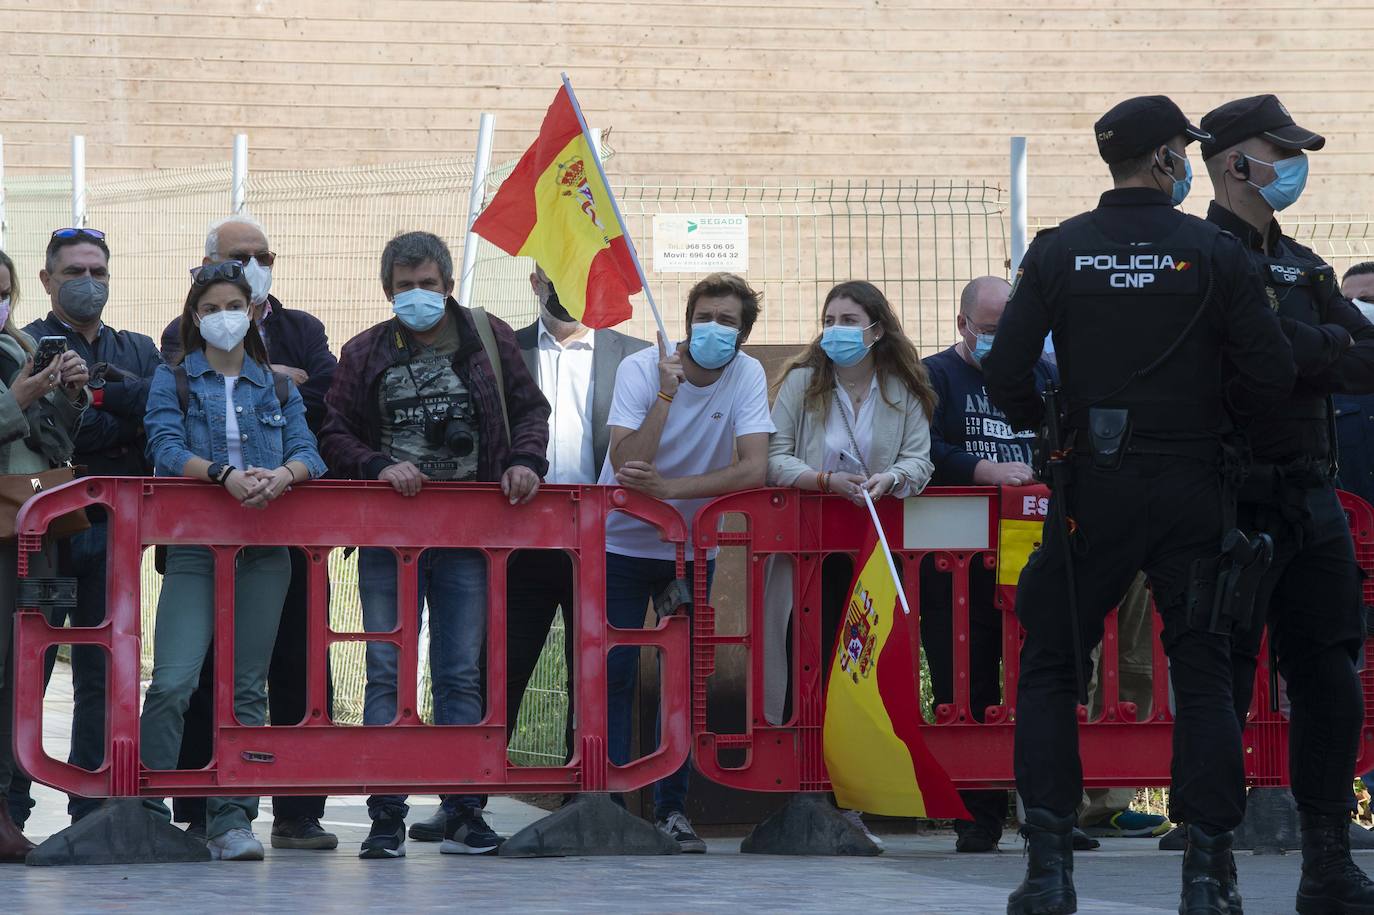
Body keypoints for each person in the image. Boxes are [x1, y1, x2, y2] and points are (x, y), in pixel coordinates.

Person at [983, 95, 1296, 915]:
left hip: (1093, 486)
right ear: (1165, 160)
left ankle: (1049, 871)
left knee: (1053, 667)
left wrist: (1049, 430)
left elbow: (1006, 371)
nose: (1187, 165)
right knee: (1203, 675)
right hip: (1194, 486)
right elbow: (1270, 375)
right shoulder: (1211, 250)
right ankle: (1206, 874)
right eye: (1183, 153)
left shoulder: (1059, 251)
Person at [318, 231, 549, 860]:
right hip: (387, 540)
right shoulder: (365, 350)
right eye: (402, 287)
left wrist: (527, 461)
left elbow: (531, 409)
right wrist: (375, 466)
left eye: (426, 283)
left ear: (448, 284)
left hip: (469, 537)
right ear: (387, 290)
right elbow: (333, 432)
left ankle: (464, 809)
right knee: (386, 668)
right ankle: (386, 813)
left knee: (459, 671)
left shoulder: (487, 338)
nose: (415, 296)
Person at [1201, 94, 1374, 912]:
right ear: (1239, 162)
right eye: (1283, 152)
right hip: (1229, 499)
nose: (1295, 166)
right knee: (1220, 686)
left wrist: (1320, 347)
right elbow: (1259, 362)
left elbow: (1352, 354)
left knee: (1332, 670)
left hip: (1310, 494)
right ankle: (1212, 863)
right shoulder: (1199, 255)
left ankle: (1327, 859)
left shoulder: (1303, 264)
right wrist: (1324, 349)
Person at [408, 265, 649, 842]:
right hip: (519, 541)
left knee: (598, 672)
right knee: (498, 670)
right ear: (537, 279)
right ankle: (463, 799)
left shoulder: (637, 358)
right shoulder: (499, 350)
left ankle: (587, 798)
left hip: (607, 538)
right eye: (556, 272)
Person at [161, 214, 340, 851]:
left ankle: (255, 813)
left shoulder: (297, 341)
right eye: (217, 301)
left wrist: (284, 475)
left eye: (260, 259)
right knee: (178, 678)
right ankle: (166, 810)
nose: (230, 309)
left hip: (272, 542)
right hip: (197, 545)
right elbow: (164, 441)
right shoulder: (178, 368)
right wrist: (222, 475)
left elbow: (317, 421)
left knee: (262, 678)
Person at [600, 272, 774, 853]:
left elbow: (755, 468)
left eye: (728, 321)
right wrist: (667, 394)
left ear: (743, 334)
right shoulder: (641, 369)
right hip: (620, 542)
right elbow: (626, 462)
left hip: (691, 549)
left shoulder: (747, 375)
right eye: (706, 316)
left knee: (684, 682)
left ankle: (672, 811)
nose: (714, 329)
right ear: (687, 320)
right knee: (616, 672)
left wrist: (673, 492)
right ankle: (611, 807)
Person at [765, 279, 935, 848]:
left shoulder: (902, 388)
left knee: (856, 668)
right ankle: (803, 791)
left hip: (872, 549)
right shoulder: (799, 384)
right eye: (829, 318)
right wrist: (822, 480)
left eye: (848, 319)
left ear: (876, 330)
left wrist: (894, 479)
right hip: (808, 550)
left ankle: (851, 796)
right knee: (802, 659)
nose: (835, 329)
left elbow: (919, 459)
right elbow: (774, 458)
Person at [9, 227, 161, 831]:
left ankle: (91, 805)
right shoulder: (27, 348)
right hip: (48, 539)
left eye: (98, 271)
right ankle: (10, 805)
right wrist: (114, 413)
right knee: (29, 666)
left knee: (107, 668)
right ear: (46, 280)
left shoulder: (139, 347)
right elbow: (58, 438)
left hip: (116, 537)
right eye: (74, 272)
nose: (88, 283)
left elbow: (158, 415)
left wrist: (96, 402)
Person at [920, 275, 1056, 853]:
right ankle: (978, 815)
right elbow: (919, 450)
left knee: (1044, 678)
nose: (1003, 342)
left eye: (1013, 330)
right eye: (991, 331)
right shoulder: (933, 377)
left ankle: (1051, 812)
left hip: (1033, 551)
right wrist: (983, 471)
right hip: (954, 558)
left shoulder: (1043, 377)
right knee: (964, 678)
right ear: (962, 326)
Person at [0, 248, 89, 860]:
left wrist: (65, 392)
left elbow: (52, 439)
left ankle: (9, 805)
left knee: (27, 669)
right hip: (3, 530)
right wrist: (19, 399)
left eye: (3, 291)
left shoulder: (18, 349)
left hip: (33, 528)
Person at [1333, 262, 1374, 508]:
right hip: (1353, 530)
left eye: (1368, 299)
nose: (1356, 309)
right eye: (1347, 303)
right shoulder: (1328, 379)